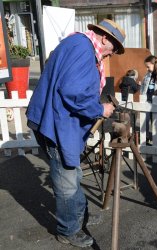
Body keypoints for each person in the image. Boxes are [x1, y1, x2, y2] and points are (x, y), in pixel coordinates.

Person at [26, 19, 125, 248]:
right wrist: (101, 109)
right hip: (57, 124)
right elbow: (72, 91)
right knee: (67, 181)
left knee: (72, 174)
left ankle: (80, 215)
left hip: (55, 119)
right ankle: (68, 230)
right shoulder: (82, 49)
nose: (111, 55)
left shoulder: (78, 44)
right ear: (104, 38)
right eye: (113, 49)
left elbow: (69, 84)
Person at [140, 55, 157, 144]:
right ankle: (146, 137)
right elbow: (143, 86)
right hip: (148, 101)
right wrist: (142, 95)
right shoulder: (147, 76)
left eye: (148, 67)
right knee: (146, 120)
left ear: (154, 65)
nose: (147, 69)